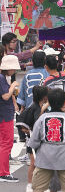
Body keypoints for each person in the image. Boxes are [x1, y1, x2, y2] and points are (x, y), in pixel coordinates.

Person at [28, 88, 65, 192]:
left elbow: (33, 142)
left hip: (44, 161)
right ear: (64, 102)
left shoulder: (42, 118)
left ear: (48, 102)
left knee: (38, 188)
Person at [16, 85, 49, 192]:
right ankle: (30, 184)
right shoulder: (36, 108)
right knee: (34, 163)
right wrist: (28, 129)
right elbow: (37, 123)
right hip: (33, 140)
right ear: (44, 97)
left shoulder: (36, 106)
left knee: (35, 163)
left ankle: (35, 183)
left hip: (33, 138)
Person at [0, 54, 20, 182]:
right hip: (4, 115)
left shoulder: (3, 78)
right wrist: (13, 86)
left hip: (4, 113)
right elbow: (5, 96)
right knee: (6, 143)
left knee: (4, 143)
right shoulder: (2, 78)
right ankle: (4, 173)